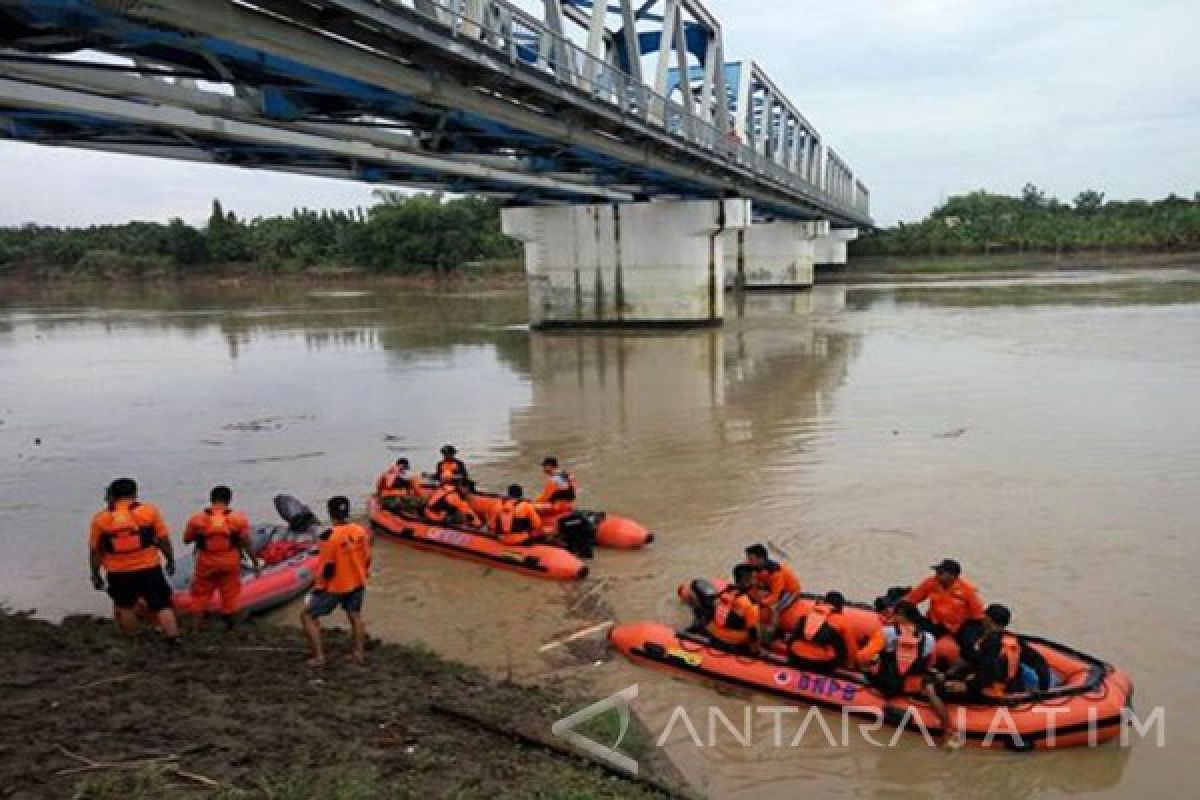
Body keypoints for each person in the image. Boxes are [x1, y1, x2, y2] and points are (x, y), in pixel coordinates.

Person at [88, 478, 180, 645]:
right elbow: (163, 539)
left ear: (112, 495)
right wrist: (170, 559)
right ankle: (173, 638)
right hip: (149, 567)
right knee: (161, 604)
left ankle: (132, 640)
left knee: (125, 606)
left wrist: (95, 574)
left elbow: (95, 551)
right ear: (134, 494)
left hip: (118, 572)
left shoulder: (101, 519)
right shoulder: (149, 512)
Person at [858, 601, 950, 736]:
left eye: (894, 614)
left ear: (901, 615)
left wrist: (868, 664)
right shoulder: (929, 638)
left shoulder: (886, 633)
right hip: (913, 686)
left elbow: (863, 656)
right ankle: (947, 726)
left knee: (865, 663)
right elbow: (930, 663)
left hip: (888, 685)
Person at [301, 496, 371, 667]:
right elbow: (368, 558)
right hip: (357, 581)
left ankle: (319, 657)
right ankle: (359, 654)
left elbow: (326, 568)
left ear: (330, 512)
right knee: (355, 616)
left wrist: (318, 589)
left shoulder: (328, 537)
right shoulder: (359, 531)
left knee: (307, 616)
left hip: (336, 586)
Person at [940, 604, 1051, 700]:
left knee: (940, 690)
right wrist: (1043, 688)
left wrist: (966, 686)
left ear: (988, 619)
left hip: (989, 691)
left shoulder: (990, 643)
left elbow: (990, 671)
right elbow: (1040, 662)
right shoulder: (1014, 640)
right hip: (1012, 685)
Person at [903, 558, 985, 656]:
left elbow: (978, 615)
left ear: (953, 576)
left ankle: (962, 665)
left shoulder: (968, 590)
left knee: (968, 643)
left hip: (959, 626)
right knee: (915, 628)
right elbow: (911, 599)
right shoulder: (931, 582)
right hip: (935, 622)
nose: (937, 575)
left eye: (941, 573)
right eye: (937, 572)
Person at [785, 591, 858, 670]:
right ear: (840, 607)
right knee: (840, 644)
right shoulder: (842, 621)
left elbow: (794, 635)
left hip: (795, 656)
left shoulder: (808, 612)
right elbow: (851, 647)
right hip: (820, 663)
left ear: (824, 602)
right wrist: (850, 665)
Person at [743, 544, 802, 639]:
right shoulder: (755, 568)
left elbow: (775, 596)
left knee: (775, 608)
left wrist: (760, 602)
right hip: (770, 586)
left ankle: (773, 633)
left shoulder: (775, 572)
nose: (747, 561)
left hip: (790, 591)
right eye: (747, 558)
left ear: (760, 559)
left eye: (750, 558)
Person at [705, 564, 762, 655]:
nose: (756, 581)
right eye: (754, 578)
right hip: (732, 643)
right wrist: (756, 652)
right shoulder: (751, 604)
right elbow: (753, 632)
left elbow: (711, 609)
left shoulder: (726, 591)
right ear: (747, 581)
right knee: (756, 630)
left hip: (714, 634)